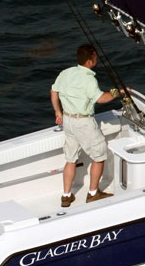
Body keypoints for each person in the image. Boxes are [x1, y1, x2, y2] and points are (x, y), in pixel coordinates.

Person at [50, 44, 123, 207]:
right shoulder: (89, 79)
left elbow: (53, 92)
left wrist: (58, 112)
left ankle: (66, 196)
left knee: (70, 159)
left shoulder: (66, 73)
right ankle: (93, 193)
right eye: (95, 57)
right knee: (99, 156)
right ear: (90, 61)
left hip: (68, 121)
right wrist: (118, 91)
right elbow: (101, 99)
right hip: (84, 122)